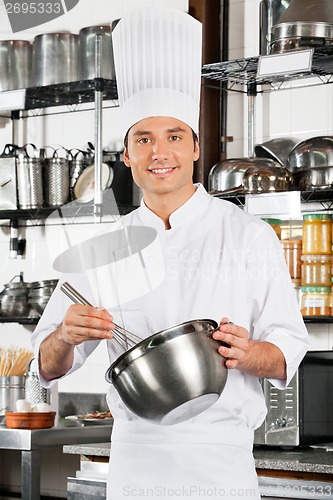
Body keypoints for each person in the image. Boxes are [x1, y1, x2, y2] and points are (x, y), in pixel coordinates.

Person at [31, 7, 309, 499]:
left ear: (197, 147)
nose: (160, 153)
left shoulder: (248, 236)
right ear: (127, 155)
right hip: (135, 462)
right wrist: (64, 335)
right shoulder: (104, 249)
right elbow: (47, 367)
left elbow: (287, 349)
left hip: (221, 463)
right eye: (144, 140)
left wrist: (248, 354)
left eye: (174, 137)